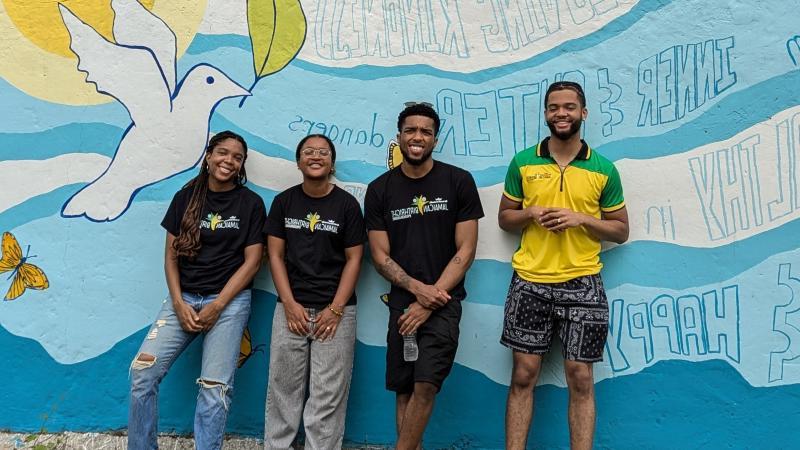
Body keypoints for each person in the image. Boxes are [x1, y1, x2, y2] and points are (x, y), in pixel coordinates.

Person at [498, 81, 629, 450]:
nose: (562, 113)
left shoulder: (604, 169)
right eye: (554, 107)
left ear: (583, 113)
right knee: (523, 375)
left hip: (583, 282)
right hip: (529, 281)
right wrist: (530, 213)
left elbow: (621, 231)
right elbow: (505, 219)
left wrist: (582, 219)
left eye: (570, 107)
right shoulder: (523, 162)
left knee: (581, 377)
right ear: (545, 113)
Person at [128, 130, 266, 450]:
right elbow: (170, 257)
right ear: (208, 156)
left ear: (242, 165)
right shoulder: (185, 197)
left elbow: (252, 262)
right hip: (185, 298)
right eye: (222, 153)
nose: (228, 161)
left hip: (228, 302)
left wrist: (218, 306)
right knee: (141, 374)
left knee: (215, 389)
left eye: (237, 157)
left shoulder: (251, 204)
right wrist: (177, 302)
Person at [364, 102, 484, 450]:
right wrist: (417, 292)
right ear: (399, 136)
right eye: (411, 130)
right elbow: (379, 255)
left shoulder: (458, 181)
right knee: (404, 387)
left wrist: (431, 301)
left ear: (435, 138)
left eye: (426, 132)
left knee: (426, 384)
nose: (418, 137)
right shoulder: (380, 189)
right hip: (401, 304)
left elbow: (465, 251)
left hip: (444, 303)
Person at [264, 134, 365, 449]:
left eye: (323, 152)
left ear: (332, 163)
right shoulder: (284, 202)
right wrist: (290, 304)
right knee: (283, 390)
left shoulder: (347, 205)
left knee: (327, 395)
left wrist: (335, 309)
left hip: (336, 313)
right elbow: (275, 256)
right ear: (298, 162)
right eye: (309, 151)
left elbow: (354, 259)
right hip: (289, 309)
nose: (316, 156)